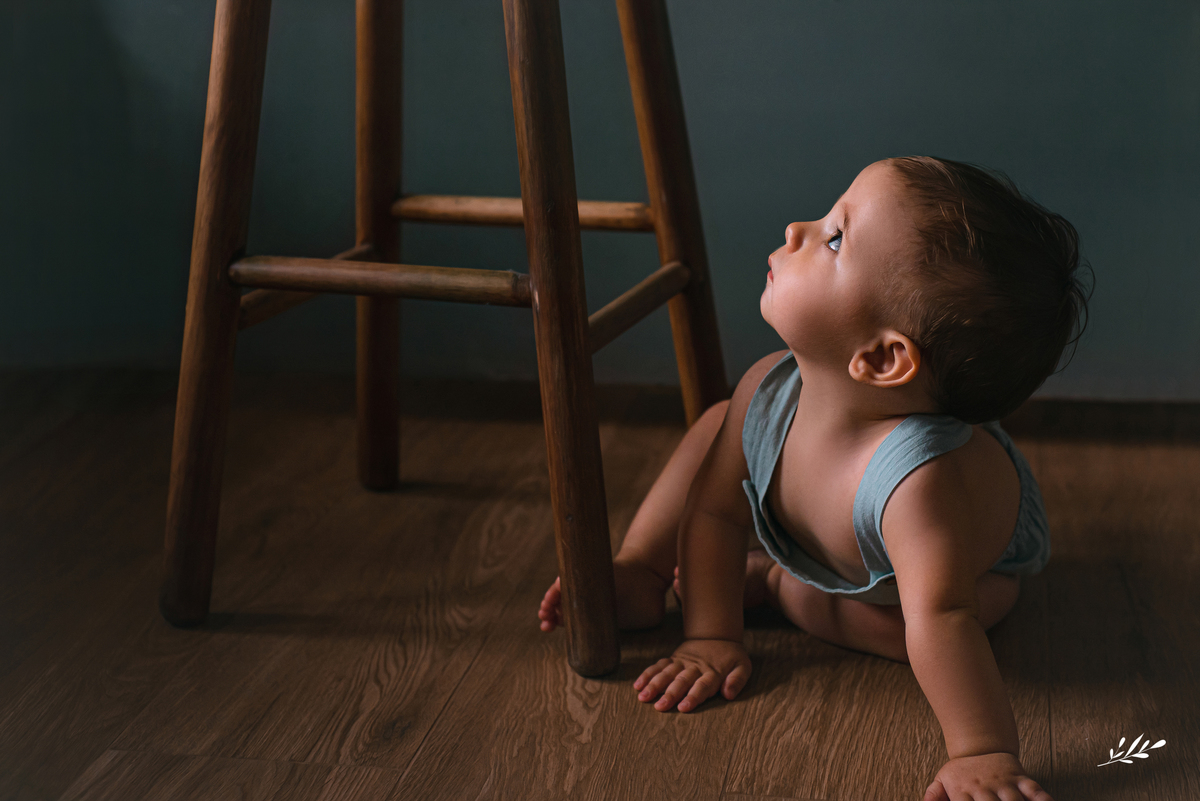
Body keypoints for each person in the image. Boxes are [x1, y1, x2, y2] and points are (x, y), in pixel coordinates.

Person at [538, 156, 1090, 801]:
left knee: (918, 629)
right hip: (835, 538)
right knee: (719, 426)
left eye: (834, 238)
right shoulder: (764, 390)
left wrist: (983, 750)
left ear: (881, 358)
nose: (796, 229)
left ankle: (779, 584)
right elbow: (714, 513)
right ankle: (642, 568)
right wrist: (710, 636)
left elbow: (943, 618)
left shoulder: (918, 485)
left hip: (960, 575)